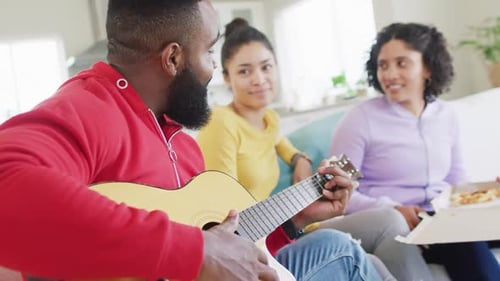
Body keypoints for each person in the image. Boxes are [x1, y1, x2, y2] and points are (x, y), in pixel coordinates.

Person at [0, 1, 376, 281]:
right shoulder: (87, 110)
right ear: (173, 59)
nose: (213, 68)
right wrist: (193, 251)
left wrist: (292, 222)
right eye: (210, 51)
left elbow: (225, 257)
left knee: (337, 247)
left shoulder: (182, 145)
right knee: (348, 255)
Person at [196, 18, 415, 281]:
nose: (259, 79)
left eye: (266, 67)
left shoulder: (269, 120)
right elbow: (220, 212)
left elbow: (283, 145)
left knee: (374, 263)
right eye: (244, 72)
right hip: (248, 244)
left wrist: (300, 159)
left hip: (273, 232)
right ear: (227, 79)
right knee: (370, 237)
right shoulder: (221, 122)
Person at [330, 22, 500, 281]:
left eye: (401, 63)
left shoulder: (445, 115)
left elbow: (457, 182)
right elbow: (337, 192)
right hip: (399, 228)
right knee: (465, 243)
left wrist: (488, 193)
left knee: (466, 233)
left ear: (428, 68)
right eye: (383, 65)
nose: (389, 74)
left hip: (442, 219)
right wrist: (393, 208)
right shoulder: (360, 119)